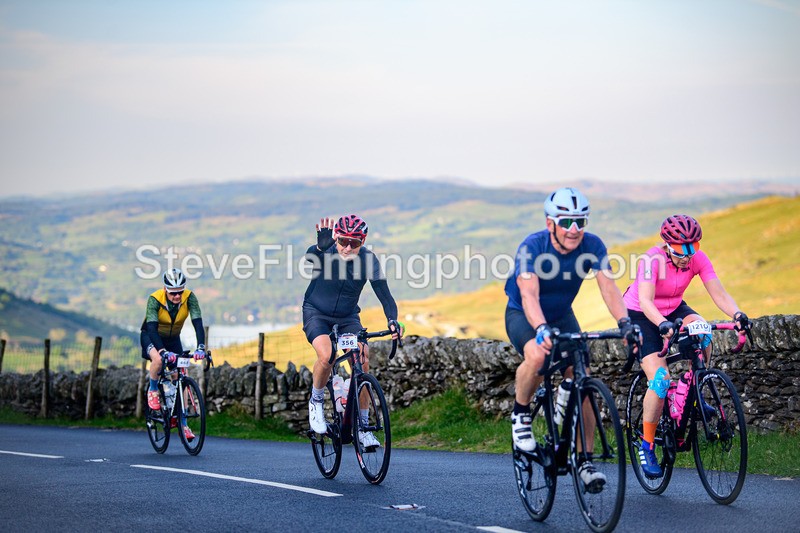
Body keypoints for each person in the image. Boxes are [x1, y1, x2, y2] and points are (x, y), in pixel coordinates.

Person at [504, 187, 639, 489]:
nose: (574, 229)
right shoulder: (533, 247)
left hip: (562, 314)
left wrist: (625, 323)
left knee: (583, 380)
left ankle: (585, 461)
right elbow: (528, 294)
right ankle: (521, 415)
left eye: (581, 222)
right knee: (538, 356)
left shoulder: (592, 246)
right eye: (567, 222)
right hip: (524, 314)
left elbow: (608, 288)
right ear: (551, 223)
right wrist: (540, 328)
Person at [623, 214, 750, 478]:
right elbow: (646, 301)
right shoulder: (651, 260)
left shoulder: (697, 259)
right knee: (660, 379)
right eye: (683, 250)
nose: (688, 255)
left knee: (703, 334)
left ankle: (693, 392)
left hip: (674, 307)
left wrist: (737, 315)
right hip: (641, 314)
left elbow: (719, 293)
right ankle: (646, 445)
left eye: (694, 248)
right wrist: (662, 325)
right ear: (668, 245)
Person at [303, 214, 403, 448]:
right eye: (344, 241)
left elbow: (385, 295)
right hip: (316, 312)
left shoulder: (368, 261)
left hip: (348, 317)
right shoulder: (326, 251)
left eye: (355, 243)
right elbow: (311, 256)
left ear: (363, 242)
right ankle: (316, 402)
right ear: (336, 238)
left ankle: (363, 427)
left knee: (363, 360)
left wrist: (392, 320)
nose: (348, 247)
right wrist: (321, 247)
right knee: (327, 356)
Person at [140, 268, 206, 441]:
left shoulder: (189, 297)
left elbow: (198, 323)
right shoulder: (154, 299)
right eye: (173, 293)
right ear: (165, 289)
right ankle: (153, 390)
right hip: (151, 336)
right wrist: (163, 352)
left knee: (180, 375)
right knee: (158, 360)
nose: (177, 296)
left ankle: (183, 424)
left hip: (173, 338)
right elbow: (152, 329)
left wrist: (200, 347)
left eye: (180, 292)